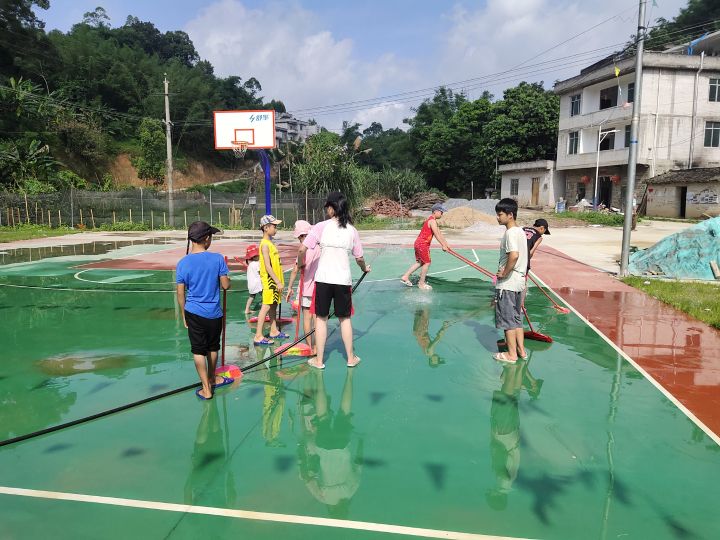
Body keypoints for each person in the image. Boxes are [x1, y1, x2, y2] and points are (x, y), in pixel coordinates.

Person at [298, 192, 370, 369]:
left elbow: (302, 249)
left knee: (321, 319)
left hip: (323, 280)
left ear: (331, 208)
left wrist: (301, 264)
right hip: (342, 281)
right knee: (344, 319)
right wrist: (364, 269)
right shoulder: (352, 231)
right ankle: (351, 358)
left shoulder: (320, 227)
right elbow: (359, 258)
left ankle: (319, 360)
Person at [176, 221, 233, 400]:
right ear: (206, 239)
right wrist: (226, 279)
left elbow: (180, 293)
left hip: (193, 311)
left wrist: (184, 314)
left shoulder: (183, 263)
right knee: (213, 347)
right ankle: (212, 377)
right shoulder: (217, 259)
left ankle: (206, 388)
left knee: (198, 350)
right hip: (214, 313)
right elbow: (225, 285)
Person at [492, 199, 528, 364]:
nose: (497, 218)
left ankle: (511, 355)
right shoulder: (521, 231)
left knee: (507, 320)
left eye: (500, 214)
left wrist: (504, 273)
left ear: (510, 215)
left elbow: (514, 255)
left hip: (508, 284)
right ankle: (521, 351)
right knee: (516, 319)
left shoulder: (510, 233)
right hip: (519, 282)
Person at [285, 220, 320, 352]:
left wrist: (289, 288)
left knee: (307, 318)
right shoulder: (319, 247)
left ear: (301, 236)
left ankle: (309, 347)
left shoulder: (303, 251)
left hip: (306, 289)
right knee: (318, 319)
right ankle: (317, 347)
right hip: (319, 288)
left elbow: (295, 270)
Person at [252, 215, 287, 346]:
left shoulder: (270, 244)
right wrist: (277, 281)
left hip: (275, 280)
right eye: (274, 226)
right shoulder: (265, 245)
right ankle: (258, 335)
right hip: (270, 281)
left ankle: (273, 331)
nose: (276, 228)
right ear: (266, 228)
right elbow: (267, 265)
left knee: (273, 305)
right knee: (266, 306)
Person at [400, 203, 450, 290]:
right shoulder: (432, 221)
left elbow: (439, 233)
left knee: (420, 262)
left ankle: (405, 276)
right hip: (423, 244)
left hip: (418, 243)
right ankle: (421, 283)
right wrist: (443, 245)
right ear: (436, 211)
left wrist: (446, 244)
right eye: (441, 212)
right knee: (427, 262)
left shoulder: (432, 220)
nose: (442, 214)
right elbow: (436, 234)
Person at [244, 244, 261, 314]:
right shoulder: (257, 264)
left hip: (251, 284)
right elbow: (261, 273)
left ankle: (247, 309)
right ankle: (268, 310)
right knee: (265, 297)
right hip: (258, 284)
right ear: (254, 257)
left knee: (251, 296)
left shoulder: (250, 265)